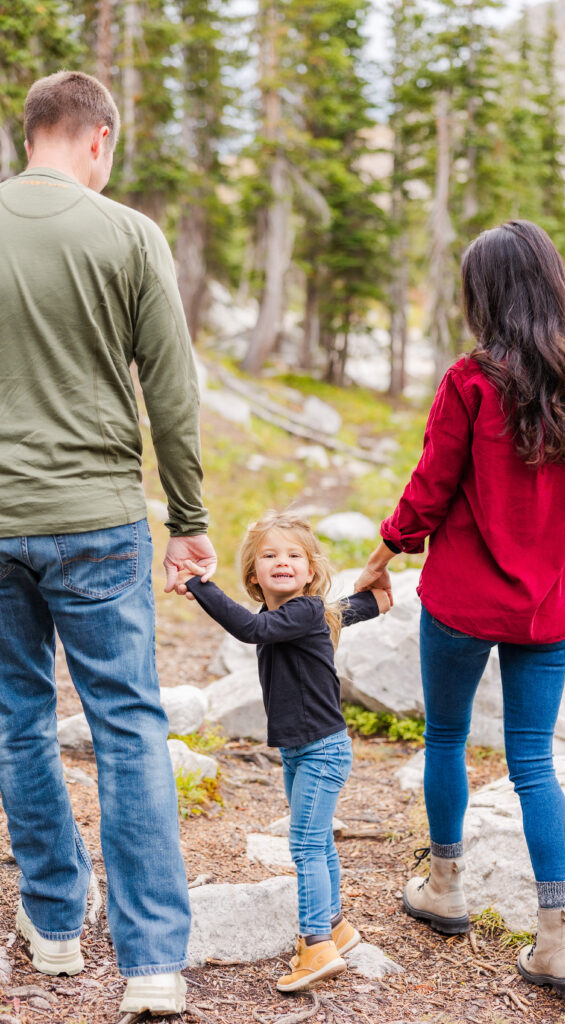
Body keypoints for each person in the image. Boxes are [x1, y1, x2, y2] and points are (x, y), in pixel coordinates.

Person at [354, 221, 565, 998]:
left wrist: (382, 556)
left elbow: (429, 487)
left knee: (445, 736)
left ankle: (445, 890)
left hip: (462, 602)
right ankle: (557, 942)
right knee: (533, 765)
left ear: (488, 295)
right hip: (546, 609)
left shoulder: (472, 380)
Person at [0, 71, 217, 1015]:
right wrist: (191, 519)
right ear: (99, 138)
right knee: (129, 729)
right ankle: (152, 966)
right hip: (97, 518)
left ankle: (51, 931)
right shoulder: (129, 234)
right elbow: (171, 390)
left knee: (17, 723)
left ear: (29, 135)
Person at [176, 510, 390, 992]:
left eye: (294, 555)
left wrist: (199, 586)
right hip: (300, 751)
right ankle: (335, 925)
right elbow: (348, 610)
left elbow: (251, 630)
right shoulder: (296, 615)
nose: (283, 562)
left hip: (322, 751)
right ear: (254, 574)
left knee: (307, 845)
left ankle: (315, 945)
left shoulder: (302, 611)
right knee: (317, 842)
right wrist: (378, 599)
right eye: (270, 555)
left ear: (310, 570)